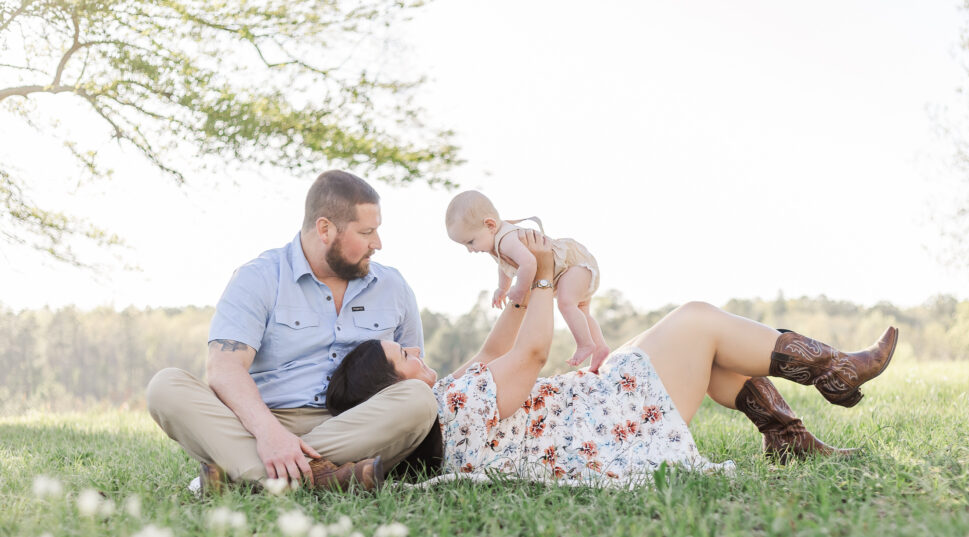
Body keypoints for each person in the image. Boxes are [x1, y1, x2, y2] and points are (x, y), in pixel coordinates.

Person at [326, 231, 898, 485]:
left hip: (593, 410)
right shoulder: (447, 406)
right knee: (698, 318)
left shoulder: (445, 409)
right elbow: (528, 353)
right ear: (392, 391)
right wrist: (548, 275)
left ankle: (787, 438)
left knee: (714, 353)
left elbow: (495, 350)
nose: (413, 350)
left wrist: (519, 284)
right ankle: (835, 369)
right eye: (403, 356)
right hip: (610, 423)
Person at [146, 170, 438, 492]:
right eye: (366, 232)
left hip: (357, 426)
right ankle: (324, 477)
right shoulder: (258, 277)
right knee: (165, 387)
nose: (377, 244)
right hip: (260, 422)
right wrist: (269, 433)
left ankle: (249, 475)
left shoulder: (393, 286)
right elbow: (224, 368)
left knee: (419, 399)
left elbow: (415, 369)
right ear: (324, 229)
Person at [445, 190, 611, 372]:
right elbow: (504, 265)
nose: (470, 250)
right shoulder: (498, 242)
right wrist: (502, 288)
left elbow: (529, 263)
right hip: (569, 270)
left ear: (490, 224)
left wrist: (519, 289)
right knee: (581, 311)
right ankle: (600, 347)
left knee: (566, 304)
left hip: (573, 265)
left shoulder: (506, 240)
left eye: (470, 242)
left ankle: (585, 344)